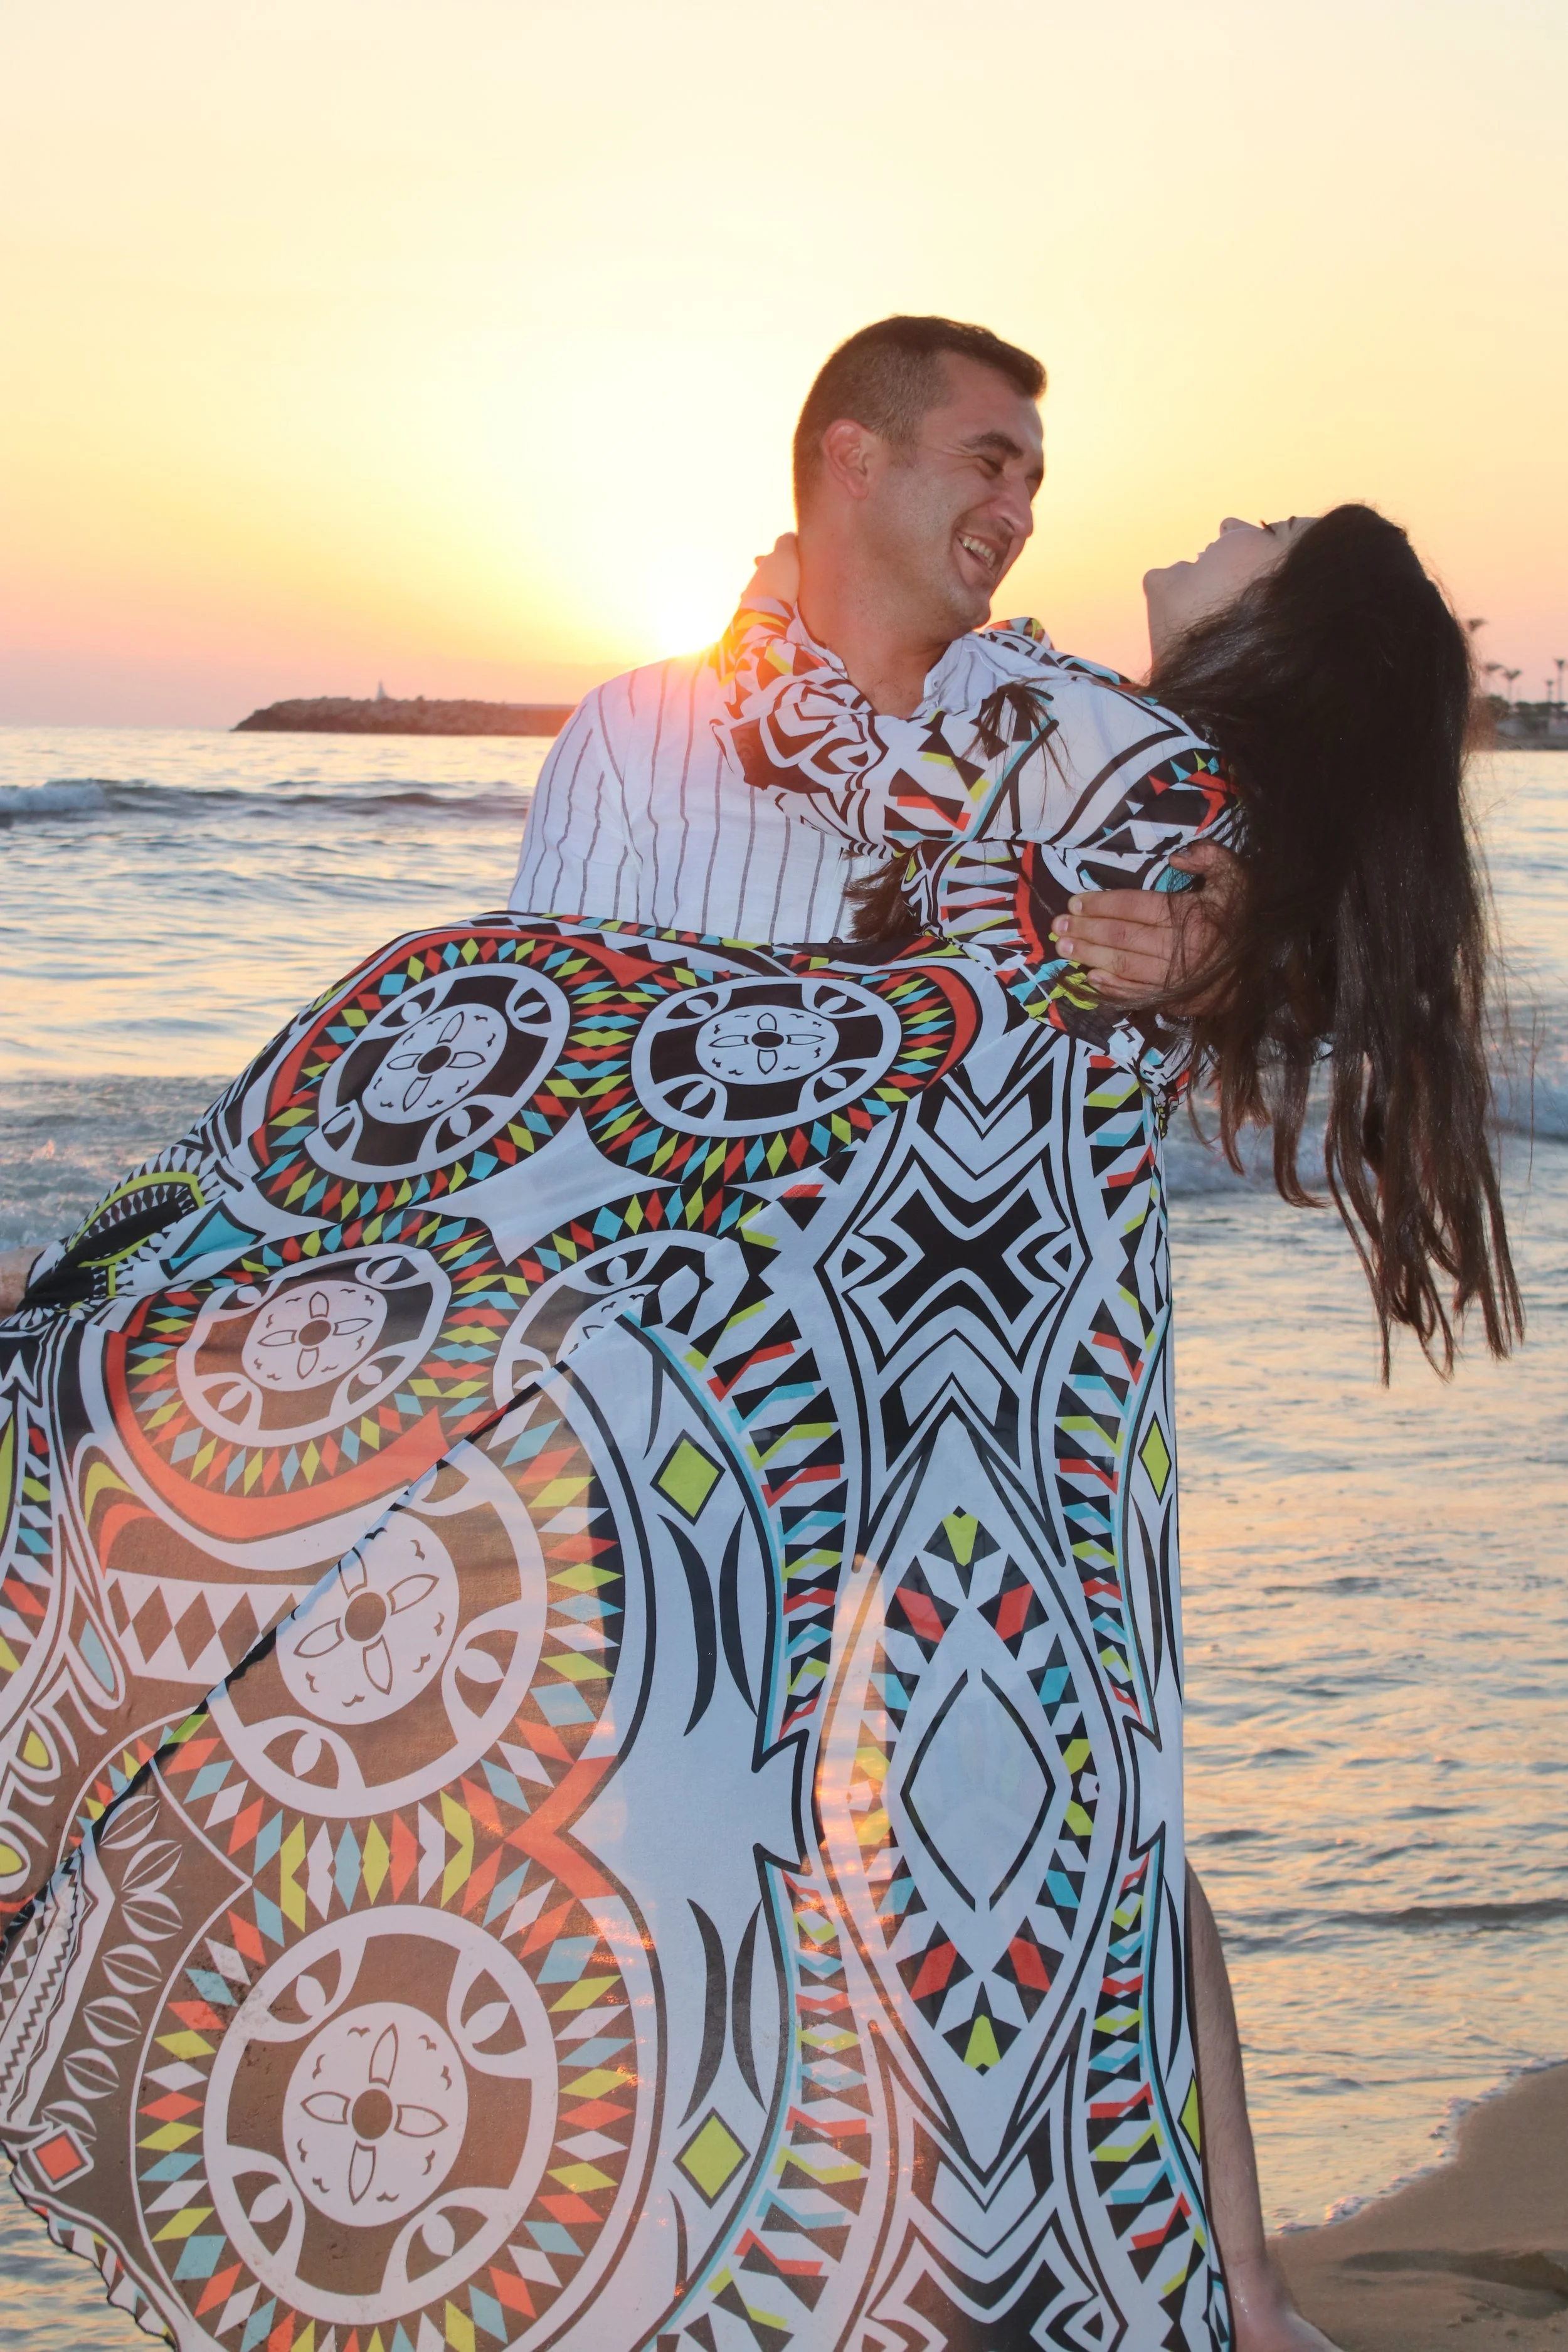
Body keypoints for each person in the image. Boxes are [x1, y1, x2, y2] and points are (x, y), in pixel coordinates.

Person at [0, 320, 1512, 2352]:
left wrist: (1203, 926)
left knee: (1064, 1809)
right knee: (639, 1846)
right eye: (986, 460)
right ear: (850, 459)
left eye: (1036, 479)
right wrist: (204, 1278)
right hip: (667, 1408)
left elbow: (1213, 855)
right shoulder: (640, 734)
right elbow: (523, 1059)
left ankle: (1188, 2285)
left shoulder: (1044, 724)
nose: (1022, 506)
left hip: (940, 1385)